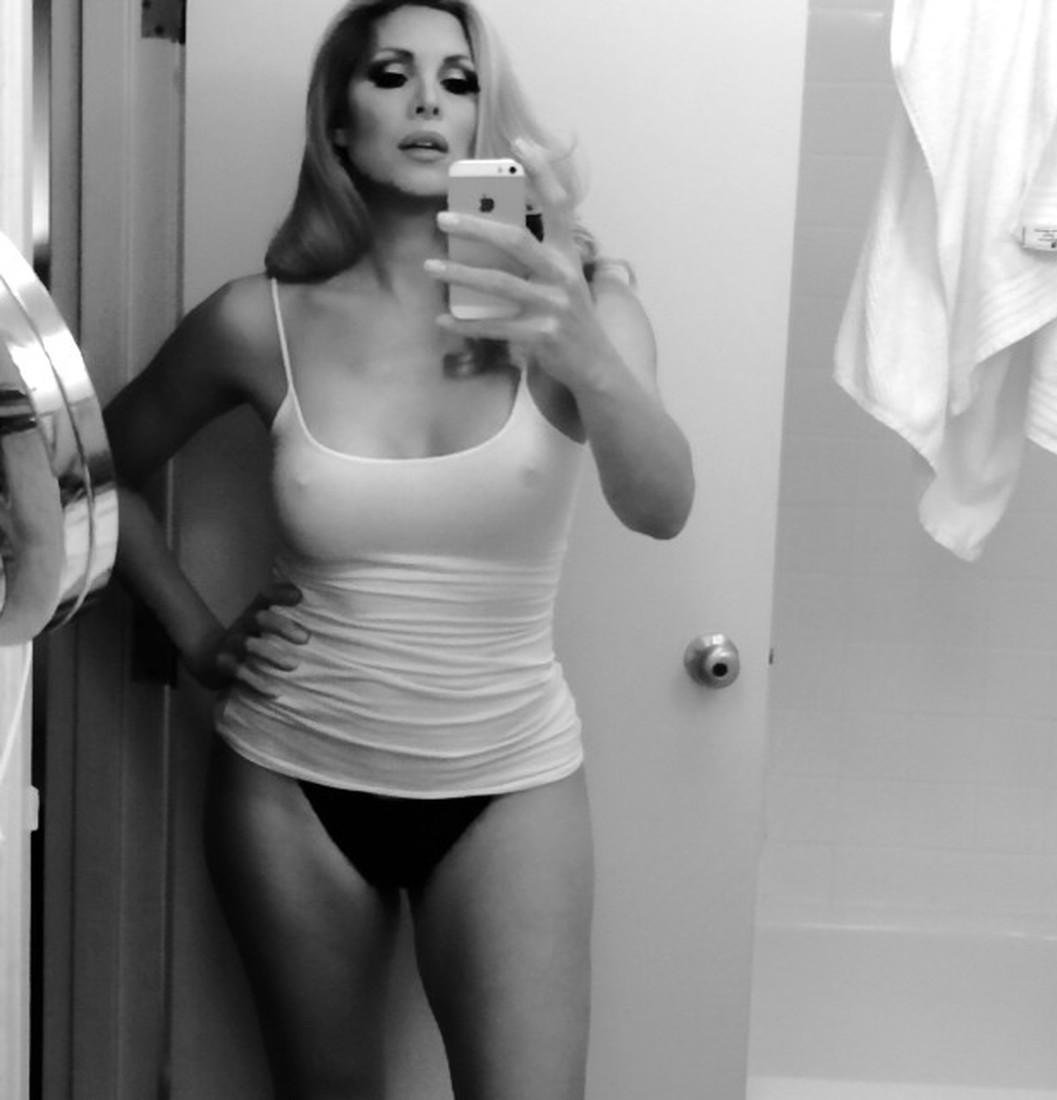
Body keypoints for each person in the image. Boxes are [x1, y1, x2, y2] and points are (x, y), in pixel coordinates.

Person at [103, 1, 694, 1096]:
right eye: (390, 75)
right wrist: (193, 635)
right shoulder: (256, 322)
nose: (428, 100)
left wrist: (582, 346)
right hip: (289, 784)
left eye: (459, 81)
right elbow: (92, 471)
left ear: (482, 120)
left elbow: (661, 505)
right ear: (338, 122)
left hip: (510, 787)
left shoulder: (581, 306)